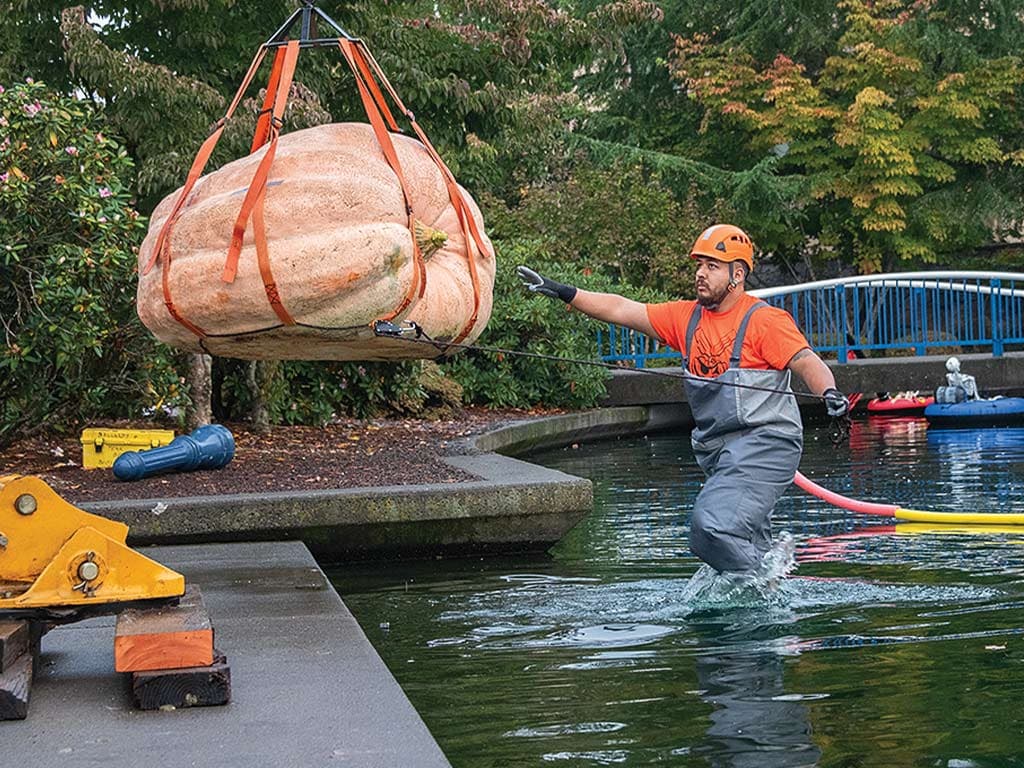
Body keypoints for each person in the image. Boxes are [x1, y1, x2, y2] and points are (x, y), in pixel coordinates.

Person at [517, 224, 849, 576]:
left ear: (738, 274)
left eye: (712, 266)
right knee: (743, 541)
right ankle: (768, 594)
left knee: (710, 529)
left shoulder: (764, 321)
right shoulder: (686, 318)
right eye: (699, 265)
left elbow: (806, 360)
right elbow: (622, 309)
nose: (700, 274)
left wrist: (828, 392)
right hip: (720, 451)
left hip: (766, 444)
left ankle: (760, 585)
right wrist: (567, 292)